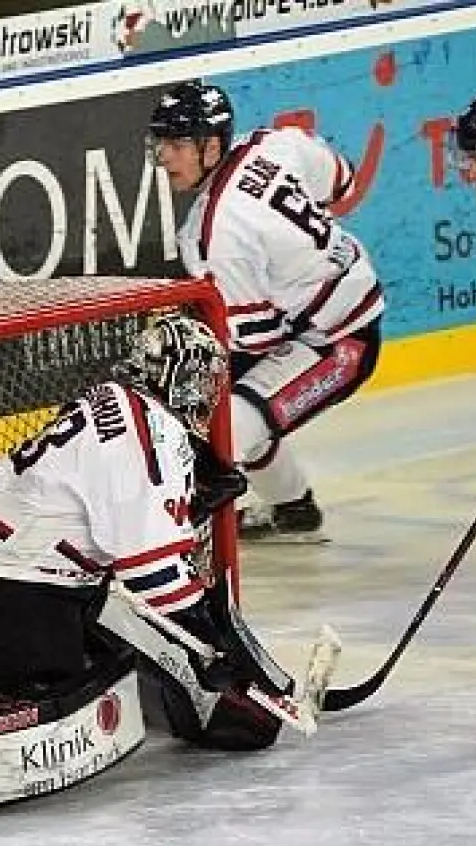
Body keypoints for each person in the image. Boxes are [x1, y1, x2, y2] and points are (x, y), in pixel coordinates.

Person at [0, 315, 300, 837]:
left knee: (118, 664)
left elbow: (101, 512)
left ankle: (163, 700)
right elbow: (153, 576)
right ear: (183, 380)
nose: (209, 395)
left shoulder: (119, 397)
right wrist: (214, 647)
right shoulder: (147, 435)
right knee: (53, 699)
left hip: (22, 563)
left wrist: (186, 507)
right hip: (8, 578)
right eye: (205, 381)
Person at [148, 79, 384, 543]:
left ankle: (171, 544)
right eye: (161, 143)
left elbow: (255, 343)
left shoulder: (212, 235)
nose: (164, 157)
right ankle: (293, 508)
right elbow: (344, 181)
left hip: (341, 342)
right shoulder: (274, 144)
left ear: (211, 145)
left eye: (177, 144)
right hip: (334, 311)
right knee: (234, 402)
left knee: (225, 425)